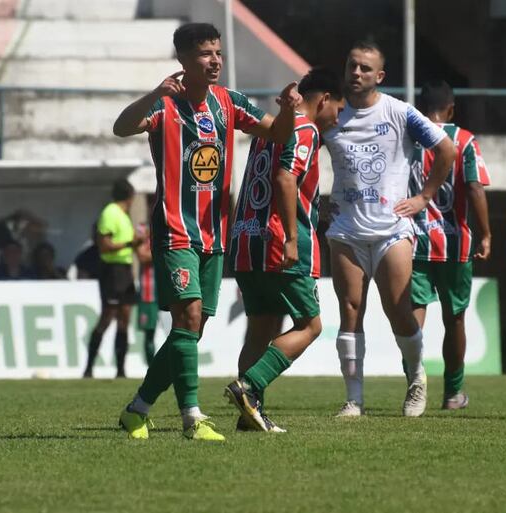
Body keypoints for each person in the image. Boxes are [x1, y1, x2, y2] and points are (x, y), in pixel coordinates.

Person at [112, 22, 301, 441]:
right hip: (175, 230)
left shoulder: (228, 103)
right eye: (205, 54)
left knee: (190, 330)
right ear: (182, 59)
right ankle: (192, 417)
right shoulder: (165, 105)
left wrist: (288, 108)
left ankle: (138, 409)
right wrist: (153, 94)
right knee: (189, 317)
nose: (215, 60)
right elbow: (121, 127)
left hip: (215, 235)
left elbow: (278, 132)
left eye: (218, 53)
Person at [323, 40, 455, 418]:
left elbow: (446, 150)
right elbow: (302, 153)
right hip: (346, 229)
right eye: (352, 65)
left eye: (365, 68)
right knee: (350, 311)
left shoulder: (400, 112)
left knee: (399, 309)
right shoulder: (332, 116)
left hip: (391, 229)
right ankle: (354, 400)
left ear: (379, 76)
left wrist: (425, 197)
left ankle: (416, 379)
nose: (357, 73)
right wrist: (316, 198)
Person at [225, 67, 343, 432]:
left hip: (246, 238)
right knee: (310, 325)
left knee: (260, 328)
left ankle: (249, 413)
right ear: (323, 99)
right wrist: (292, 237)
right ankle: (250, 386)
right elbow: (285, 177)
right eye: (338, 109)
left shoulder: (269, 130)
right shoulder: (305, 129)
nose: (337, 119)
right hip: (281, 243)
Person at [409, 80, 492, 410]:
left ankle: (414, 387)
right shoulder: (465, 140)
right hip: (455, 245)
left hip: (414, 243)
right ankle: (453, 393)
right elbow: (474, 189)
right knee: (454, 319)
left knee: (413, 317)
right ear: (452, 109)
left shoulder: (410, 136)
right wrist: (485, 233)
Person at [83, 179, 144, 379]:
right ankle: (89, 367)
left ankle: (120, 369)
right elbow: (104, 244)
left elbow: (127, 245)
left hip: (124, 270)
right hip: (111, 270)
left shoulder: (123, 216)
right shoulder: (110, 213)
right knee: (107, 316)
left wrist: (137, 243)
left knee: (125, 318)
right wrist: (130, 242)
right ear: (130, 196)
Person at [135, 223, 158, 365]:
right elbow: (143, 257)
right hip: (148, 294)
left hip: (164, 292)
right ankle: (152, 367)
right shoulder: (143, 242)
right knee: (149, 333)